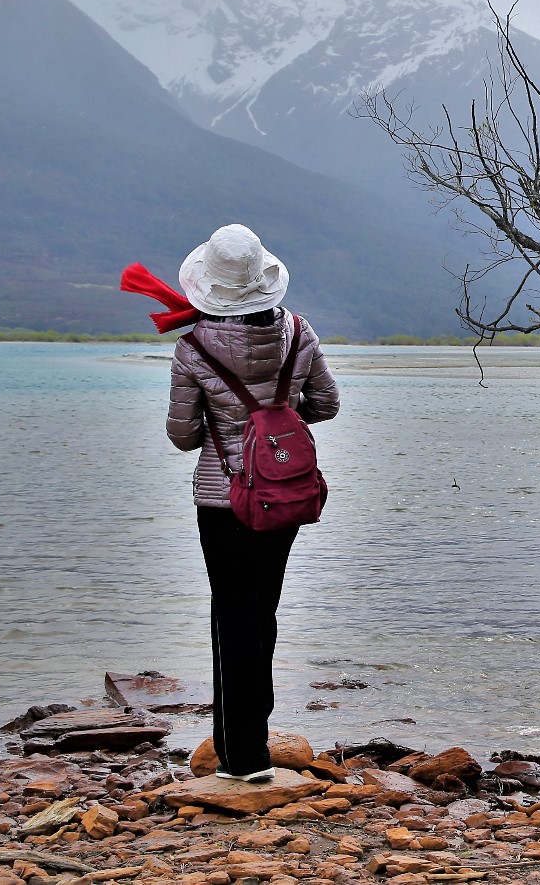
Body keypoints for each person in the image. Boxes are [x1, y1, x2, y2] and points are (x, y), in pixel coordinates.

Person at [165, 224, 340, 782]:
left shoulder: (192, 347)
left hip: (223, 500)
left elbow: (184, 436)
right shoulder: (299, 331)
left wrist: (237, 427)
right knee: (261, 613)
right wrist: (278, 426)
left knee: (230, 616)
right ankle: (255, 746)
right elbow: (327, 404)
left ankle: (241, 756)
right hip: (284, 495)